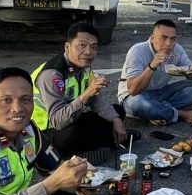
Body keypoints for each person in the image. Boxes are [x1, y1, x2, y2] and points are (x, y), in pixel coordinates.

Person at [31, 23, 129, 160]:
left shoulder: (84, 66)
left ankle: (107, 138)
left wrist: (116, 120)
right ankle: (109, 141)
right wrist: (86, 95)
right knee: (75, 134)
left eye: (93, 47)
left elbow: (95, 99)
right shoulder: (52, 75)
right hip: (46, 132)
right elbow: (58, 121)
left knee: (118, 111)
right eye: (82, 45)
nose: (88, 52)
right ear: (67, 47)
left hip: (72, 117)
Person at [118, 19, 192, 125]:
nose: (169, 44)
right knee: (138, 103)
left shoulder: (176, 49)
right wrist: (152, 65)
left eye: (173, 39)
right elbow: (133, 90)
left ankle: (157, 112)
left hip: (162, 92)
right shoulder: (138, 51)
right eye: (164, 38)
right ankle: (177, 113)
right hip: (136, 96)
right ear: (152, 38)